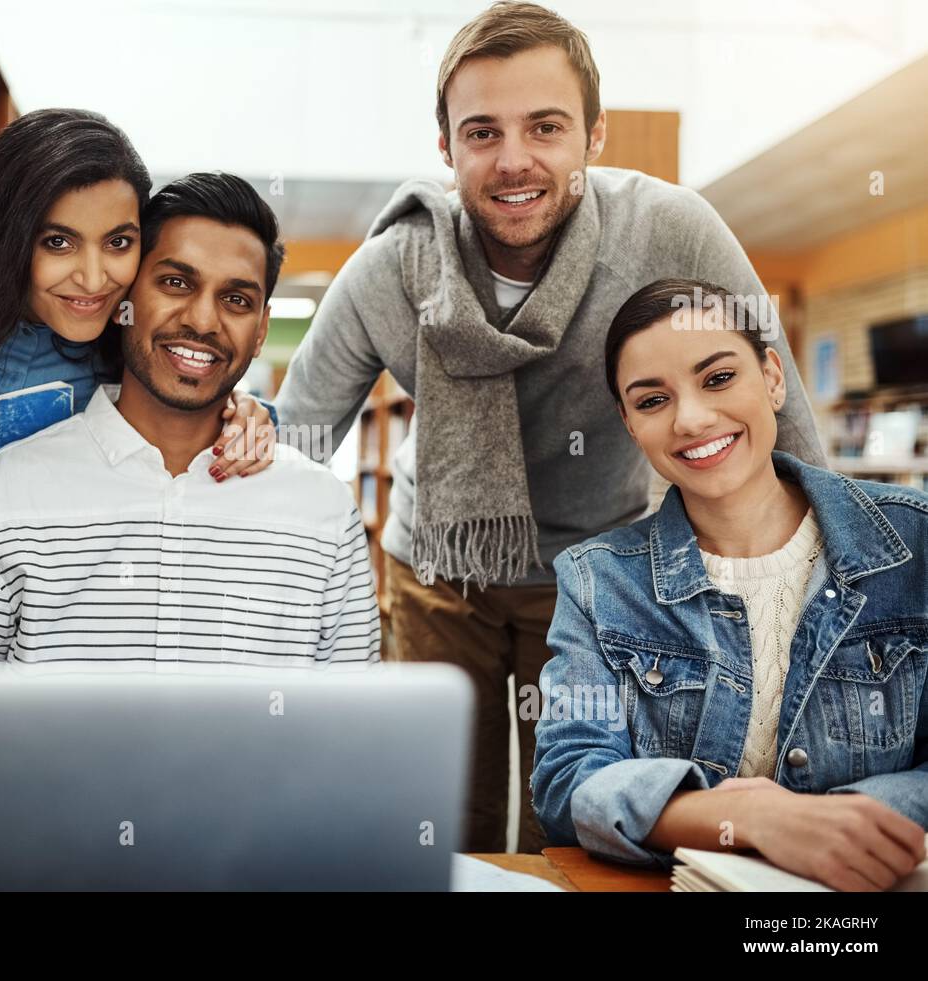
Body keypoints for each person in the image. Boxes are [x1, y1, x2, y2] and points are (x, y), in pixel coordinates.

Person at [273, 0, 826, 853]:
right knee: (437, 819)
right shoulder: (392, 268)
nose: (514, 159)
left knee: (573, 818)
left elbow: (780, 405)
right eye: (482, 132)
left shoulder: (669, 228)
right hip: (437, 568)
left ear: (594, 137)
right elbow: (297, 437)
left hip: (599, 575)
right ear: (446, 146)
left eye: (546, 127)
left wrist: (840, 574)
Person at [531, 278, 928, 891]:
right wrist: (748, 816)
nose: (691, 419)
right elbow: (569, 782)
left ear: (772, 378)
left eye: (718, 378)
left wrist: (828, 823)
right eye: (652, 400)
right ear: (630, 424)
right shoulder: (596, 579)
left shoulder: (915, 543)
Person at [0, 173, 380, 670]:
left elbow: (354, 734)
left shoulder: (325, 515)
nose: (203, 321)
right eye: (176, 283)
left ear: (262, 329)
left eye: (236, 299)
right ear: (125, 301)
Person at [0, 108, 276, 542]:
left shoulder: (121, 324)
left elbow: (185, 374)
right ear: (10, 237)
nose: (95, 279)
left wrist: (245, 411)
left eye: (119, 242)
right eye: (58, 242)